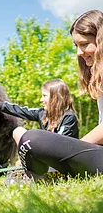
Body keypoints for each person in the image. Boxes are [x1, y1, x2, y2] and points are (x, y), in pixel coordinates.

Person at [6, 9, 103, 181]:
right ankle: (45, 174)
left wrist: (76, 147)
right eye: (76, 46)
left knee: (32, 138)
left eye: (84, 44)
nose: (79, 53)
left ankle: (44, 174)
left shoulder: (68, 117)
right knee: (22, 134)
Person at [0, 79, 79, 138]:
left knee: (35, 135)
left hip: (64, 162)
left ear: (56, 98)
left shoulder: (69, 117)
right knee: (19, 131)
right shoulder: (42, 114)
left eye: (44, 96)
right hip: (47, 156)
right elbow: (18, 110)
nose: (41, 99)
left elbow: (61, 143)